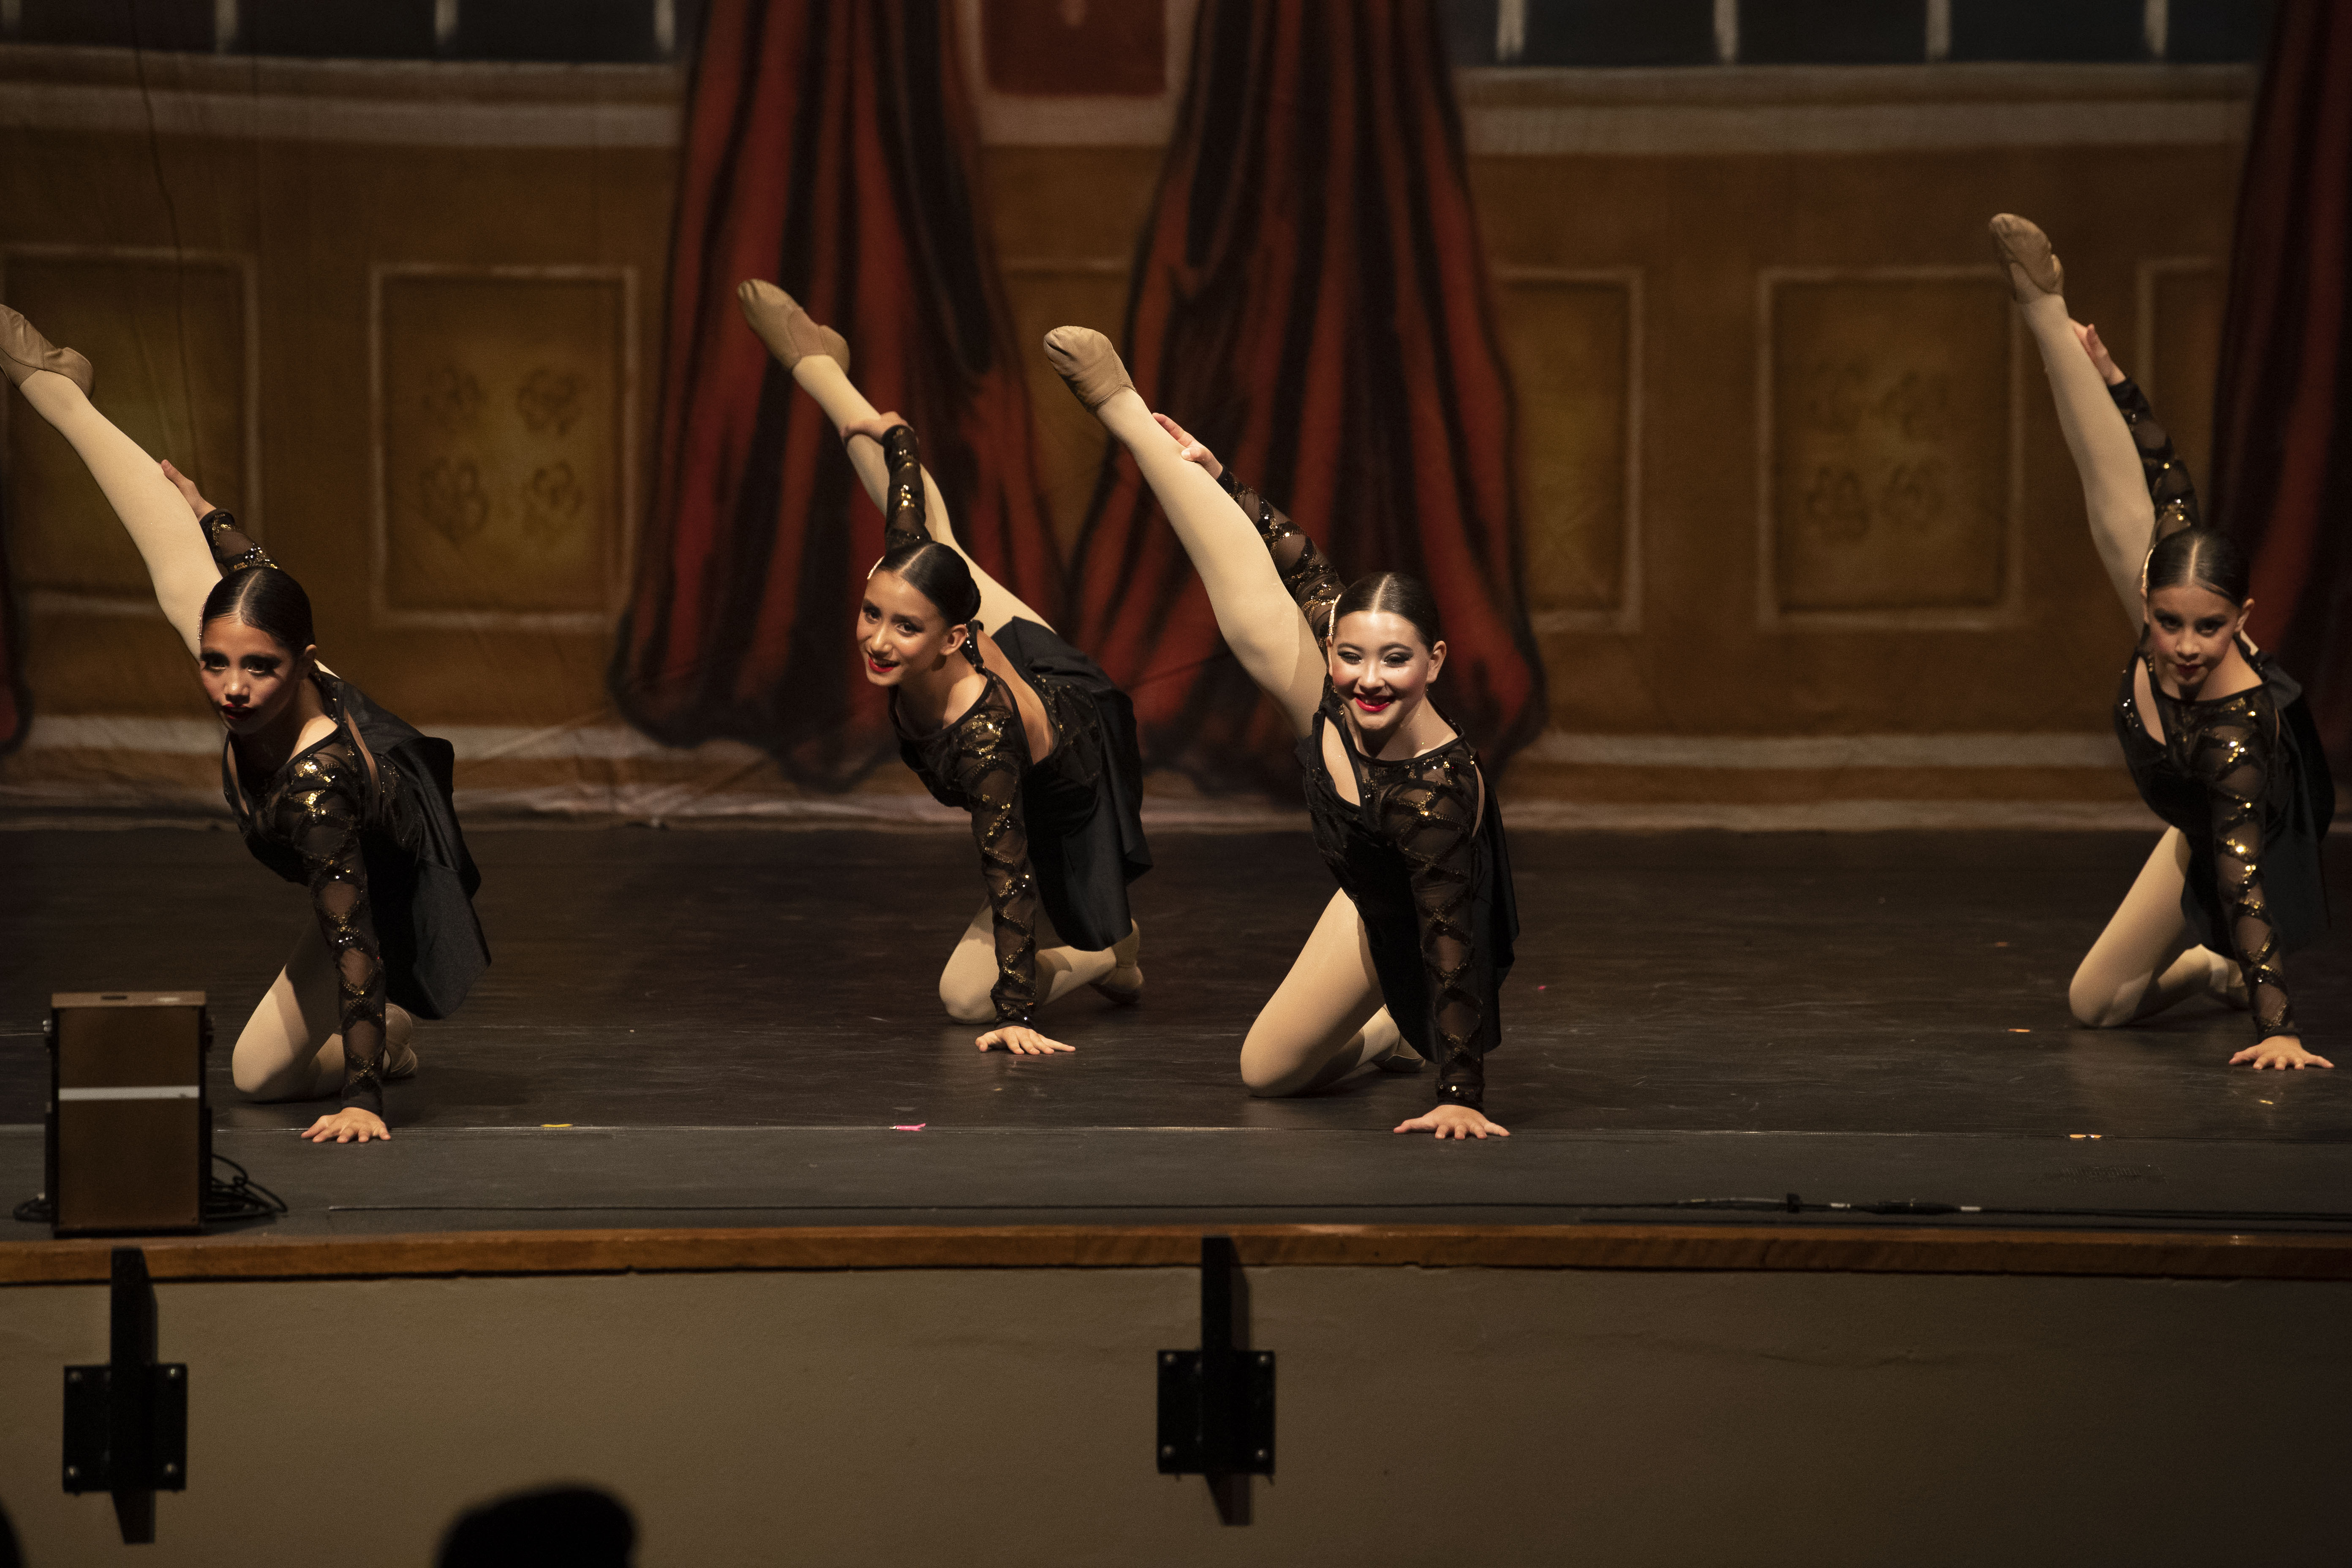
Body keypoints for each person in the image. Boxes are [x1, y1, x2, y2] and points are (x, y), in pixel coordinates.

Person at [3, 303, 487, 1142]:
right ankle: (55, 388)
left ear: (303, 664)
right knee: (191, 587)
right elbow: (259, 583)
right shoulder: (265, 665)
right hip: (343, 824)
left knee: (258, 1076)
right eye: (215, 664)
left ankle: (391, 1039)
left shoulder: (317, 789)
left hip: (380, 892)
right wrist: (209, 515)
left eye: (259, 667)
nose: (231, 689)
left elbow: (354, 942)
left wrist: (363, 1099)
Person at [1041, 327, 1516, 1138]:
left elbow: (1453, 945)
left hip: (1407, 911)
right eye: (1352, 655)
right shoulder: (1343, 677)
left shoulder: (1435, 799)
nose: (1370, 679)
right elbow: (1301, 565)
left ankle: (1391, 1032)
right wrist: (1220, 477)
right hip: (1367, 857)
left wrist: (1459, 1093)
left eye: (1396, 661)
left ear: (1434, 662)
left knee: (1266, 1074)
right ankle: (1122, 407)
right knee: (1259, 623)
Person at [736, 283, 1149, 1054]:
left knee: (966, 1001)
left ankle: (1110, 948)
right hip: (1011, 653)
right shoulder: (919, 617)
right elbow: (908, 512)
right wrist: (895, 437)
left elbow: (1010, 872)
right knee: (929, 548)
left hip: (1069, 785)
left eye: (904, 628)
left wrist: (1016, 1013)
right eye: (871, 615)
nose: (878, 642)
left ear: (952, 637)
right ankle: (820, 368)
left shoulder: (984, 740)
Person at [1991, 214, 2333, 1070]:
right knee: (2098, 1005)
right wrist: (2115, 379)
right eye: (2168, 621)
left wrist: (2278, 1026)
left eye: (2209, 627)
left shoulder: (2238, 742)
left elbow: (2244, 884)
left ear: (2243, 618)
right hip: (2192, 807)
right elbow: (2167, 480)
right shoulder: (2164, 603)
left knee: (2104, 998)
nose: (2184, 646)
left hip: (2238, 820)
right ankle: (2043, 308)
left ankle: (2227, 973)